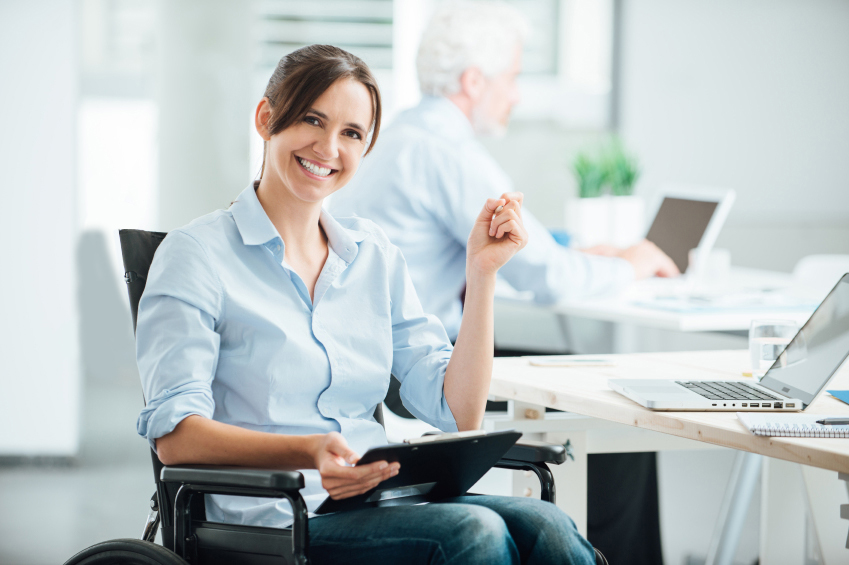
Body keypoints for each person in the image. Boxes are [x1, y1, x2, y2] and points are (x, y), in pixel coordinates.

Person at [134, 44, 596, 565]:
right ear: (267, 118)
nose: (329, 148)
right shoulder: (197, 255)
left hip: (377, 503)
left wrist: (481, 274)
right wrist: (309, 450)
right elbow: (175, 437)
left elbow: (456, 409)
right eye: (313, 119)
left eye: (352, 133)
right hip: (273, 521)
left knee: (548, 526)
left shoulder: (372, 255)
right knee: (474, 532)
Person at [328, 3, 670, 564]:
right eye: (511, 78)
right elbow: (547, 277)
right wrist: (630, 263)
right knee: (615, 407)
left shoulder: (399, 135)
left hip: (390, 360)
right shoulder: (446, 151)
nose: (516, 95)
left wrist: (575, 248)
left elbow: (519, 247)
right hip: (414, 375)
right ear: (473, 81)